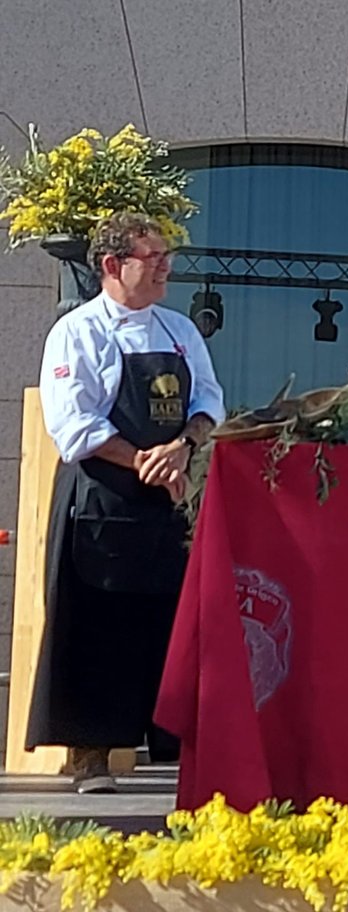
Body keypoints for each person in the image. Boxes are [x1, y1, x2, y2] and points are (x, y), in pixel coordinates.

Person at [30, 213, 225, 793]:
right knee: (97, 623)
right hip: (102, 500)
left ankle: (169, 750)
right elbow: (74, 423)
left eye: (166, 256)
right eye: (154, 256)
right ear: (114, 266)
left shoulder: (180, 330)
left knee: (165, 622)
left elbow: (210, 397)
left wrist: (185, 445)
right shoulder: (78, 332)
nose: (167, 267)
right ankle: (92, 754)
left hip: (168, 503)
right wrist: (146, 460)